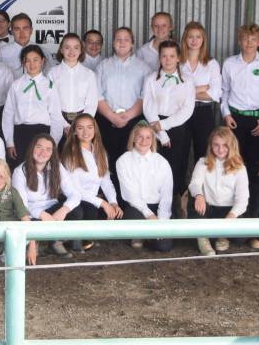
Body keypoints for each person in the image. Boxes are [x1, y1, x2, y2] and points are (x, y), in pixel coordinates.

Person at [221, 24, 259, 216]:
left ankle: (254, 212)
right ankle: (234, 210)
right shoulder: (230, 63)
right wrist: (226, 114)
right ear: (240, 40)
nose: (249, 43)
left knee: (257, 168)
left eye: (253, 39)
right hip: (235, 120)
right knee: (235, 164)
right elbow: (224, 91)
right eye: (246, 39)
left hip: (258, 122)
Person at [142, 40, 195, 214]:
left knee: (174, 170)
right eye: (164, 55)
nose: (168, 59)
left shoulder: (187, 81)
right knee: (153, 169)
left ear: (178, 58)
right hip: (153, 127)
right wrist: (161, 133)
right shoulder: (151, 79)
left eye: (172, 56)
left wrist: (164, 125)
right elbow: (148, 106)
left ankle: (171, 211)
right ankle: (151, 210)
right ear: (159, 58)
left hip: (177, 127)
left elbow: (187, 110)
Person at [95, 27, 151, 189]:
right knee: (107, 162)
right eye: (118, 39)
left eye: (126, 39)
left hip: (133, 122)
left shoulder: (144, 68)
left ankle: (128, 203)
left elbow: (144, 97)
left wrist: (127, 117)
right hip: (107, 121)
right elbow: (98, 96)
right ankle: (110, 201)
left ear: (132, 43)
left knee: (131, 162)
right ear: (113, 43)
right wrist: (112, 117)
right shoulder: (102, 66)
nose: (122, 42)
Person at [60, 114, 124, 251]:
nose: (86, 132)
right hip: (73, 197)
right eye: (80, 128)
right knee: (81, 211)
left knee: (95, 212)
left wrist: (113, 202)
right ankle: (70, 240)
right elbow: (75, 190)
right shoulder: (70, 153)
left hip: (91, 200)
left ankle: (85, 237)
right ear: (75, 131)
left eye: (90, 127)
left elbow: (106, 180)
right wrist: (103, 203)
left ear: (95, 130)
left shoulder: (100, 152)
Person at [11, 134, 81, 257]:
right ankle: (35, 242)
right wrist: (42, 214)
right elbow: (21, 205)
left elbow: (75, 194)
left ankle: (55, 243)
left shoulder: (57, 167)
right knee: (26, 220)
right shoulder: (20, 171)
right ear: (32, 148)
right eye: (39, 147)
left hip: (53, 210)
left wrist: (63, 210)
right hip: (31, 212)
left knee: (76, 211)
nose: (43, 152)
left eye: (48, 149)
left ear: (52, 153)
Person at [187, 127, 249, 255]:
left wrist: (232, 215)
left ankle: (222, 236)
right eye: (216, 145)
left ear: (231, 146)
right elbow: (195, 183)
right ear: (211, 146)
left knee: (240, 238)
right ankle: (203, 237)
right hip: (207, 208)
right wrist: (199, 195)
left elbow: (242, 198)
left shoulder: (240, 168)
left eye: (225, 145)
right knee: (194, 199)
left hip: (228, 210)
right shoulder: (203, 162)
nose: (220, 149)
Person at [116, 121, 173, 252]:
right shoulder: (123, 161)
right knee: (132, 218)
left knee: (164, 246)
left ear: (153, 140)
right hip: (136, 208)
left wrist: (161, 220)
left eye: (148, 137)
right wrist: (149, 215)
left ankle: (146, 235)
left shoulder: (161, 162)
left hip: (157, 207)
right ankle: (141, 235)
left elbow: (166, 194)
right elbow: (130, 195)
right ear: (134, 138)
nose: (144, 140)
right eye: (140, 136)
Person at [3, 45, 63, 168]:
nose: (32, 64)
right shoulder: (16, 85)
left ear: (42, 61)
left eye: (35, 59)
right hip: (20, 134)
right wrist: (10, 142)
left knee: (41, 170)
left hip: (42, 134)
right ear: (23, 63)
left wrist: (53, 143)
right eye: (27, 60)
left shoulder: (50, 86)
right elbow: (8, 114)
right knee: (20, 169)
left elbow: (56, 117)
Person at [179, 21, 222, 161]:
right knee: (180, 152)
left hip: (203, 112)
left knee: (204, 154)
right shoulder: (177, 62)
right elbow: (172, 91)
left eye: (198, 37)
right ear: (185, 39)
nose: (194, 40)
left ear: (203, 40)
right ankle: (178, 184)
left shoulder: (211, 63)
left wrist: (186, 92)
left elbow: (216, 93)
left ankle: (202, 183)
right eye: (190, 37)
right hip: (180, 110)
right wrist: (203, 88)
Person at [49, 32, 98, 128]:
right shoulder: (52, 73)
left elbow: (92, 104)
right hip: (58, 122)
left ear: (81, 50)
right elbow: (51, 102)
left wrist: (81, 125)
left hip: (82, 123)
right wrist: (64, 126)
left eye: (76, 47)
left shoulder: (89, 74)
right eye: (67, 47)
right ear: (61, 50)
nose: (71, 51)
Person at [0, 13, 39, 77]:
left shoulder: (42, 51)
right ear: (11, 31)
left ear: (31, 30)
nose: (21, 33)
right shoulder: (1, 52)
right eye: (17, 29)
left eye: (25, 28)